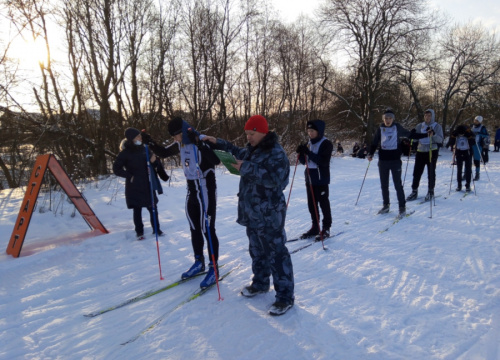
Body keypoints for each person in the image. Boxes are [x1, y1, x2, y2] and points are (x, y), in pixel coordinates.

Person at [203, 115, 294, 316]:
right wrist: (218, 142)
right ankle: (260, 283)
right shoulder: (254, 149)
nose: (249, 138)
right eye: (247, 134)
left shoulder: (276, 153)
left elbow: (276, 180)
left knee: (276, 254)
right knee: (257, 250)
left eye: (252, 134)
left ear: (262, 132)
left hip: (270, 214)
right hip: (252, 212)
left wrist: (245, 167)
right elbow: (238, 152)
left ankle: (285, 297)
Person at [144, 117, 221, 289]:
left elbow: (216, 160)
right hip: (191, 189)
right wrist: (150, 142)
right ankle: (198, 261)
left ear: (183, 131)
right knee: (194, 227)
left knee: (207, 228)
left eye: (176, 135)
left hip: (205, 189)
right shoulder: (181, 144)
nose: (174, 139)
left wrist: (200, 144)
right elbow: (163, 153)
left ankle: (213, 267)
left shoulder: (201, 140)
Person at [113, 127, 168, 240]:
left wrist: (154, 162)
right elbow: (116, 169)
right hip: (134, 185)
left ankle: (156, 229)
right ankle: (139, 232)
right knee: (137, 210)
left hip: (148, 184)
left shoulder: (145, 149)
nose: (140, 138)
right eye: (137, 136)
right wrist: (130, 176)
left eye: (140, 136)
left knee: (153, 207)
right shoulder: (125, 153)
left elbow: (154, 164)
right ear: (131, 139)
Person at [367, 109, 411, 217]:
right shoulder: (380, 129)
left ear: (393, 119)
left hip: (395, 161)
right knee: (384, 185)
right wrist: (370, 154)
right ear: (383, 119)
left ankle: (402, 207)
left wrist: (424, 135)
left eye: (390, 118)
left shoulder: (397, 127)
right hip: (383, 161)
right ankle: (386, 205)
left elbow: (410, 134)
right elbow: (374, 142)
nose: (387, 120)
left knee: (397, 185)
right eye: (386, 118)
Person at [296, 120, 333, 240]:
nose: (310, 133)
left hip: (321, 178)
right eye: (308, 131)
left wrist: (308, 152)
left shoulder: (326, 143)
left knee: (323, 203)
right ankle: (315, 226)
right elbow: (304, 162)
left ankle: (326, 228)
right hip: (310, 177)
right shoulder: (308, 143)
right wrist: (301, 154)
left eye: (312, 131)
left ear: (319, 131)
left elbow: (323, 161)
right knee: (312, 204)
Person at [405, 109, 444, 202]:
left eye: (429, 116)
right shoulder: (420, 126)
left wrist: (433, 135)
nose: (427, 117)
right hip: (421, 151)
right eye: (426, 116)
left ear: (433, 116)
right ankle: (414, 190)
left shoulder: (437, 126)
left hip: (432, 150)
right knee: (417, 172)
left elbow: (440, 140)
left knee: (431, 172)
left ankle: (431, 191)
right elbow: (415, 138)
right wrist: (412, 136)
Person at [448, 124, 475, 192]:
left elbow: (473, 143)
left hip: (467, 152)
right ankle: (459, 185)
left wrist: (469, 136)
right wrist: (453, 136)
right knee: (459, 169)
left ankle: (468, 185)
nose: (461, 135)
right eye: (460, 134)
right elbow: (451, 142)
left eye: (462, 134)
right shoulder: (456, 132)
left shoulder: (468, 132)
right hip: (459, 152)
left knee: (468, 169)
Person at [470, 115, 489, 181]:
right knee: (468, 159)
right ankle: (466, 174)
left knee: (476, 160)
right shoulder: (472, 126)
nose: (475, 121)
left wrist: (479, 134)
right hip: (471, 144)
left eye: (477, 121)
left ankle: (477, 174)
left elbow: (486, 135)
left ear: (480, 121)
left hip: (478, 145)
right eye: (475, 120)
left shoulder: (482, 127)